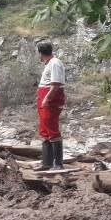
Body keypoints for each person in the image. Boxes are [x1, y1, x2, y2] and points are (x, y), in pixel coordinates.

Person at [36, 41, 66, 170]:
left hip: (50, 101)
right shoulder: (49, 63)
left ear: (40, 53)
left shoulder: (55, 63)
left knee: (52, 129)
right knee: (45, 129)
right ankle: (46, 163)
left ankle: (58, 164)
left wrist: (46, 99)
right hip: (44, 98)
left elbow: (55, 85)